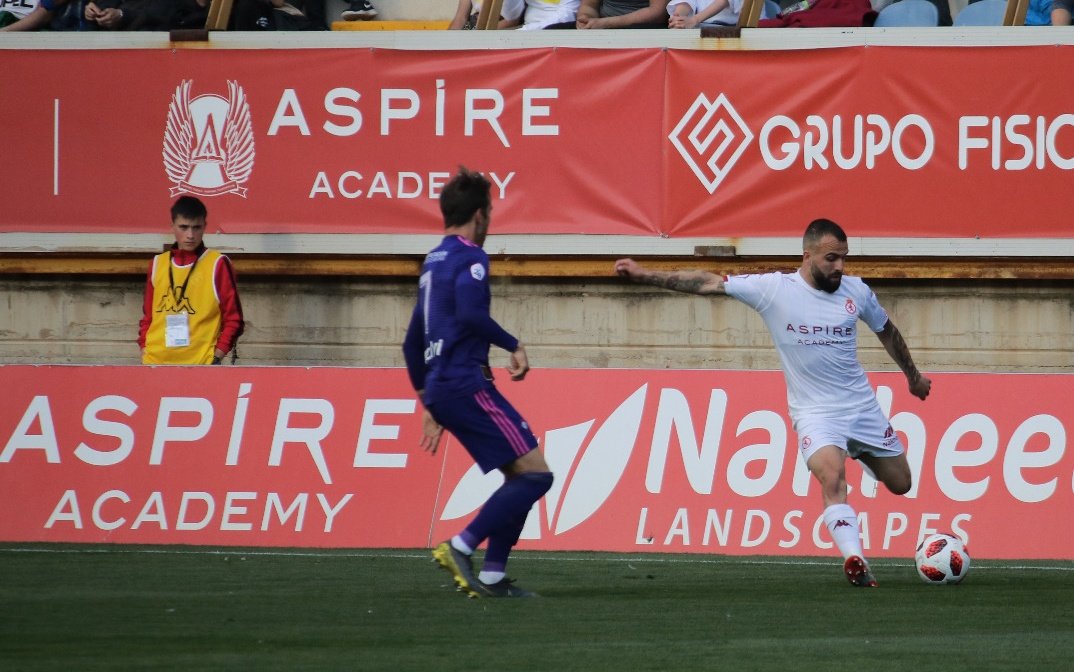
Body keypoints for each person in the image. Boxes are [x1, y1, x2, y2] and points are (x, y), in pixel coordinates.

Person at [614, 218, 932, 587]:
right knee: (832, 477)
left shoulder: (856, 291)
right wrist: (643, 275)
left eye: (844, 259)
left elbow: (886, 331)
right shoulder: (774, 289)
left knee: (902, 483)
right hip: (815, 414)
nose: (839, 267)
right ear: (807, 255)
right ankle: (855, 558)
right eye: (831, 258)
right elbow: (708, 282)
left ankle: (860, 451)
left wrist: (913, 377)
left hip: (861, 409)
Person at [402, 167, 554, 599]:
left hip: (443, 389)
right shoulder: (471, 257)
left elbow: (412, 344)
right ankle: (462, 546)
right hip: (467, 384)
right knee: (536, 476)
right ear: (480, 215)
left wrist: (427, 403)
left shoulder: (431, 265)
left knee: (519, 476)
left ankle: (491, 576)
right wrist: (513, 344)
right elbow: (470, 316)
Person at [138, 196, 244, 366]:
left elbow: (234, 319)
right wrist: (144, 347)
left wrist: (216, 356)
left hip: (200, 364)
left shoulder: (217, 264)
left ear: (204, 227)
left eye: (196, 228)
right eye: (184, 227)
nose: (190, 235)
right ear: (172, 226)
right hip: (154, 362)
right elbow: (148, 316)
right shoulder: (158, 263)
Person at [449, 0, 580, 29]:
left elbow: (568, 14)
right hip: (527, 29)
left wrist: (526, 30)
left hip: (552, 32)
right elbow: (460, 18)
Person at [667, 0, 742, 27]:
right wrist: (678, 18)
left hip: (728, 29)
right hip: (695, 27)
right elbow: (685, 2)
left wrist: (695, 20)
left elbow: (725, 1)